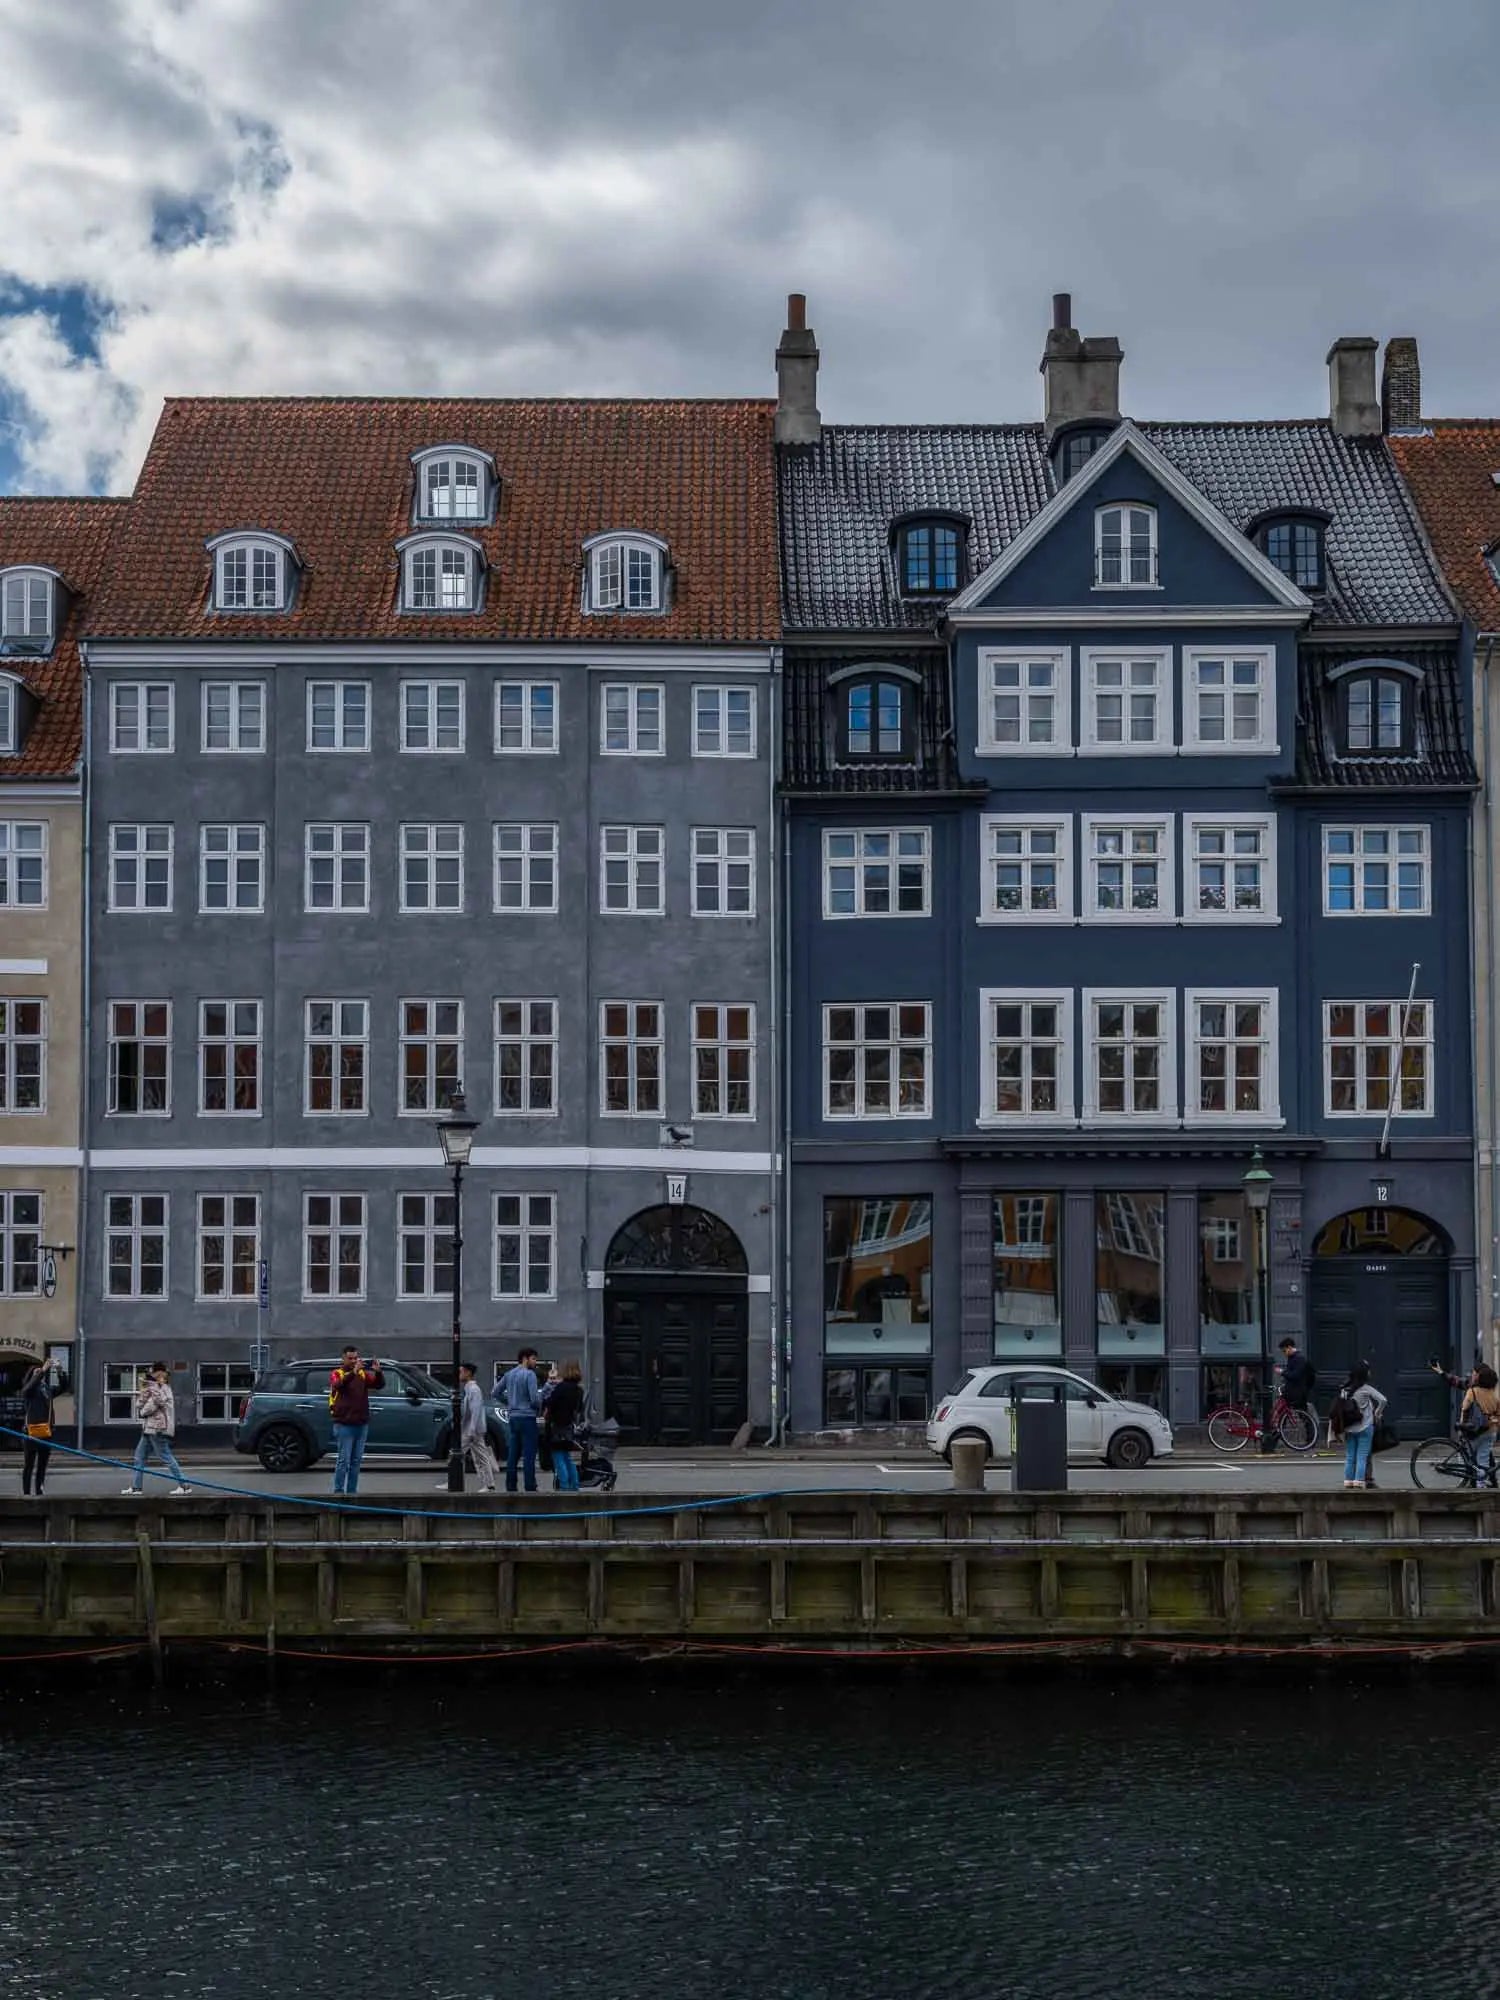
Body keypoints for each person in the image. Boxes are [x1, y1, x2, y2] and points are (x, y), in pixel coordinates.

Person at [122, 1363, 190, 1496]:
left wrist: (143, 1410)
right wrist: (146, 1391)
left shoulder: (163, 1389)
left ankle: (184, 1485)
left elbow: (152, 1406)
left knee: (166, 1456)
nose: (154, 1376)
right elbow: (139, 1404)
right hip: (149, 1428)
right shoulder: (155, 1388)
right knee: (139, 1457)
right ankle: (136, 1488)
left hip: (158, 1428)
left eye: (155, 1374)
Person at [328, 1346, 384, 1497]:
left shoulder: (362, 1374)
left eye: (355, 1358)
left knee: (356, 1461)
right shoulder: (337, 1373)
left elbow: (378, 1385)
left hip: (361, 1423)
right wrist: (352, 1372)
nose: (353, 1361)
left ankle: (352, 1492)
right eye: (350, 1358)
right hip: (344, 1424)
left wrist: (378, 1372)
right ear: (343, 1359)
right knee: (343, 1460)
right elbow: (338, 1385)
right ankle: (338, 1492)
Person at [1331, 1360, 1387, 1490]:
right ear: (1364, 1374)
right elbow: (1383, 1400)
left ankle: (1348, 1481)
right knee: (1362, 1456)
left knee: (1350, 1456)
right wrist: (1377, 1413)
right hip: (1365, 1427)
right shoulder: (1366, 1389)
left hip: (1349, 1428)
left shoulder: (1345, 1389)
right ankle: (1359, 1481)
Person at [498, 1346, 541, 1493]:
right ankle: (530, 1486)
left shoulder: (509, 1374)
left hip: (513, 1417)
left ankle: (511, 1485)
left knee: (513, 1454)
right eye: (534, 1359)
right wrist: (538, 1407)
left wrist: (509, 1402)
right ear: (525, 1358)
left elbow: (495, 1392)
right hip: (527, 1417)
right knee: (529, 1454)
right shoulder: (530, 1375)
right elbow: (534, 1398)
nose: (535, 1362)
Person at [543, 1359, 585, 1493]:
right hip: (568, 1427)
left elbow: (550, 1403)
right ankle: (575, 1484)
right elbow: (579, 1409)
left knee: (558, 1457)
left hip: (557, 1426)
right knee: (567, 1456)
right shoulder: (579, 1390)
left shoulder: (561, 1388)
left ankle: (564, 1486)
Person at [457, 1361, 497, 1493]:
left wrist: (472, 1430)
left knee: (475, 1456)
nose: (459, 1374)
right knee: (470, 1455)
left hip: (473, 1430)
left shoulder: (474, 1390)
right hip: (471, 1429)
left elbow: (476, 1411)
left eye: (461, 1371)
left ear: (468, 1373)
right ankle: (488, 1484)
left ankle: (489, 1484)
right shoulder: (470, 1389)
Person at [1459, 1364, 1500, 1488]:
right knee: (1483, 1459)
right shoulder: (1494, 1396)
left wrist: (1462, 1427)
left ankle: (1468, 1478)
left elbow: (1465, 1408)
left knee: (1465, 1455)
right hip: (1489, 1431)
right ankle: (1480, 1485)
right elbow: (1498, 1415)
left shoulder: (1473, 1392)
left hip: (1473, 1430)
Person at [20, 1361, 53, 1497]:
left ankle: (39, 1490)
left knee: (42, 1465)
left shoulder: (46, 1390)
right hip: (31, 1433)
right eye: (36, 1372)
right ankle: (26, 1493)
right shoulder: (29, 1391)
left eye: (40, 1372)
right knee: (29, 1464)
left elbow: (63, 1386)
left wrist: (61, 1372)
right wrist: (42, 1370)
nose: (40, 1374)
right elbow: (28, 1388)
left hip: (45, 1432)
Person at [1277, 1337, 1314, 1411]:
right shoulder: (1292, 1358)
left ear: (1289, 1347)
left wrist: (1282, 1372)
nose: (1284, 1354)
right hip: (1294, 1391)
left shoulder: (1299, 1359)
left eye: (1284, 1351)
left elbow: (1295, 1375)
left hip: (1297, 1393)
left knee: (1301, 1414)